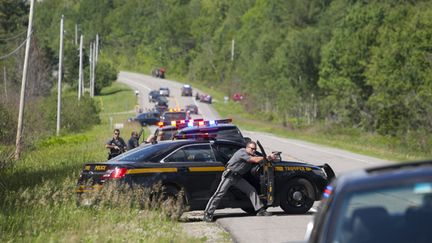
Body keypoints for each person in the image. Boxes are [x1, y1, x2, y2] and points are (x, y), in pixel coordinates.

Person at [203, 141, 277, 222]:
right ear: (247, 148)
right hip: (229, 176)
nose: (253, 151)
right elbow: (255, 160)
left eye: (255, 149)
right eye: (252, 149)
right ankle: (208, 213)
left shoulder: (252, 154)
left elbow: (260, 159)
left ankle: (260, 210)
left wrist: (270, 158)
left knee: (250, 190)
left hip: (237, 178)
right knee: (219, 194)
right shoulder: (242, 152)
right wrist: (267, 157)